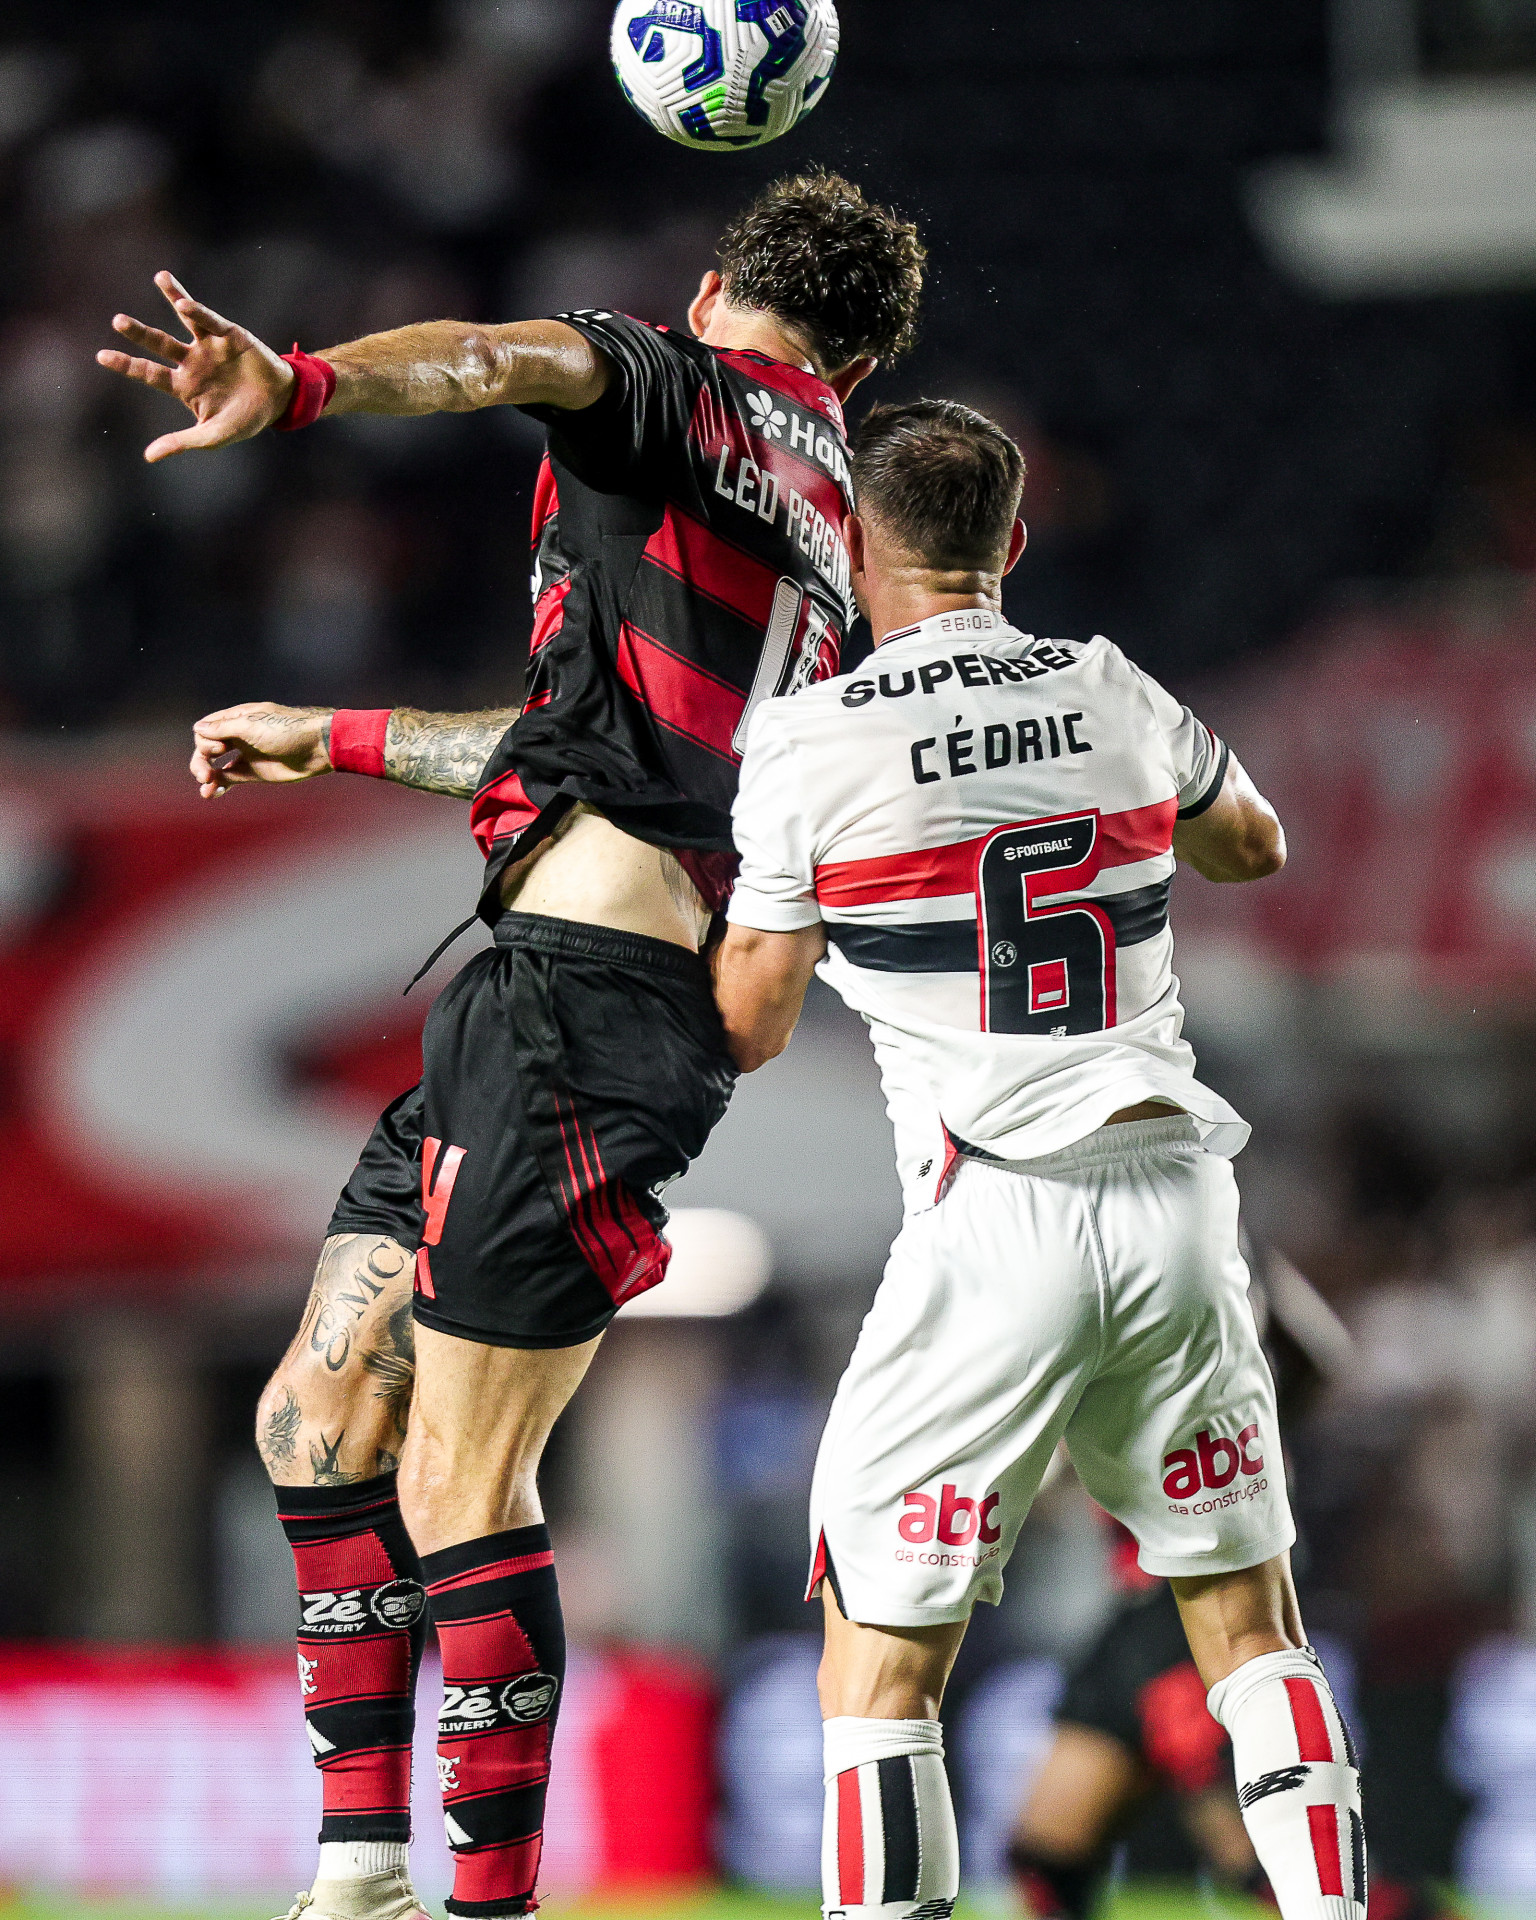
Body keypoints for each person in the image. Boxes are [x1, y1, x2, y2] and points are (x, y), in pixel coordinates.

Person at [98, 173, 924, 1920]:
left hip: (581, 1005)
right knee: (317, 1419)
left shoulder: (697, 393)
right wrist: (327, 736)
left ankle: (482, 1904)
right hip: (556, 988)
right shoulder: (826, 533)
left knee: (468, 1471)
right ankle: (360, 1876)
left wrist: (299, 385)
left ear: (714, 294)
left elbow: (487, 360)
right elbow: (568, 742)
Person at [713, 399, 1366, 1920]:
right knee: (1248, 1619)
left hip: (991, 1209)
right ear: (1012, 542)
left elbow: (749, 1019)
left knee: (880, 1651)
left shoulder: (814, 741)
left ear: (856, 551)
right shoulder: (1105, 684)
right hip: (1175, 1198)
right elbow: (1252, 843)